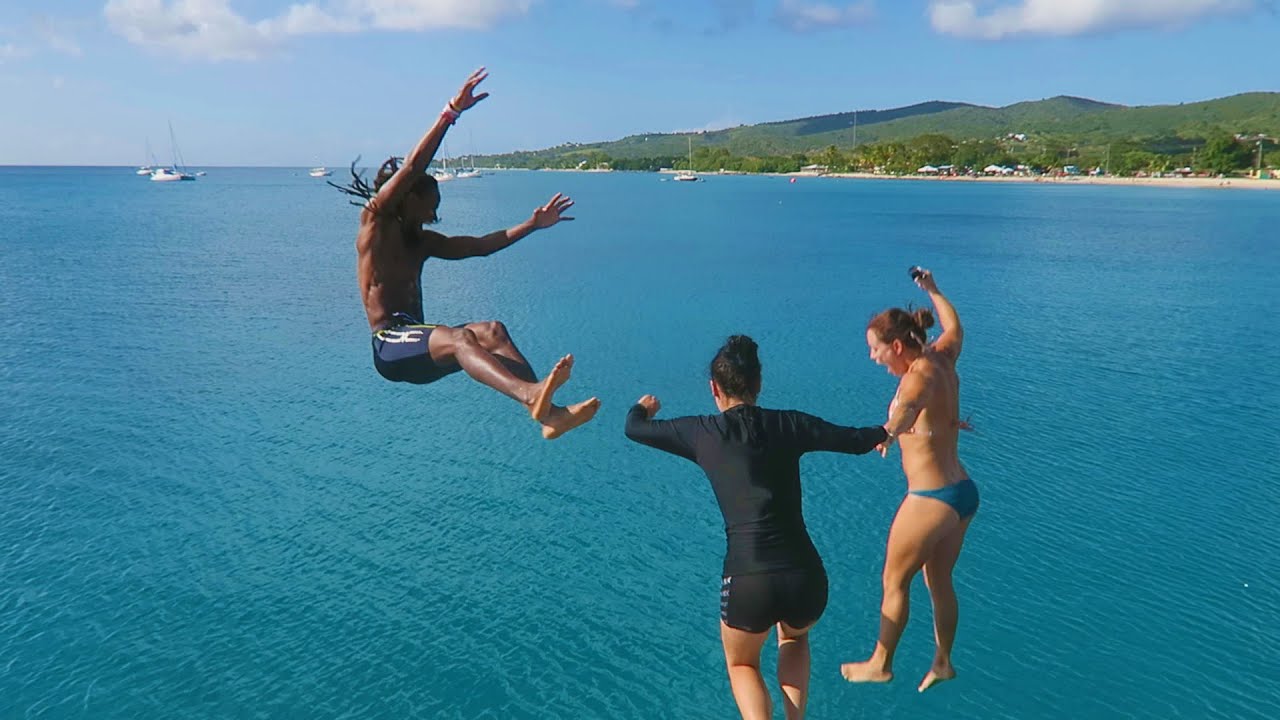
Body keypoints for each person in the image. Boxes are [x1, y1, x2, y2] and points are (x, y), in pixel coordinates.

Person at [625, 335, 887, 720]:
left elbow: (635, 428)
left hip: (748, 579)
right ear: (759, 383)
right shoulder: (789, 424)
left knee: (742, 664)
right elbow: (854, 440)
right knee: (794, 639)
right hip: (804, 577)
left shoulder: (701, 433)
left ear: (714, 389)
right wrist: (887, 430)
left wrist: (641, 408)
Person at [332, 68, 598, 439]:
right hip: (390, 346)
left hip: (422, 346)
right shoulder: (375, 222)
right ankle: (531, 394)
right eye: (430, 205)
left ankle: (550, 416)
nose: (434, 213)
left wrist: (532, 224)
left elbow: (479, 247)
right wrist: (451, 113)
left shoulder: (422, 242)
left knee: (492, 331)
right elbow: (414, 166)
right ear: (407, 197)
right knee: (462, 339)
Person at [840, 267, 977, 692]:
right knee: (938, 581)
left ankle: (880, 663)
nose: (873, 357)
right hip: (963, 493)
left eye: (875, 349)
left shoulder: (917, 376)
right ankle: (943, 661)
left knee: (894, 581)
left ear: (896, 346)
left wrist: (886, 434)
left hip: (931, 498)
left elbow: (907, 408)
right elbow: (954, 327)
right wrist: (933, 289)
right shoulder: (942, 356)